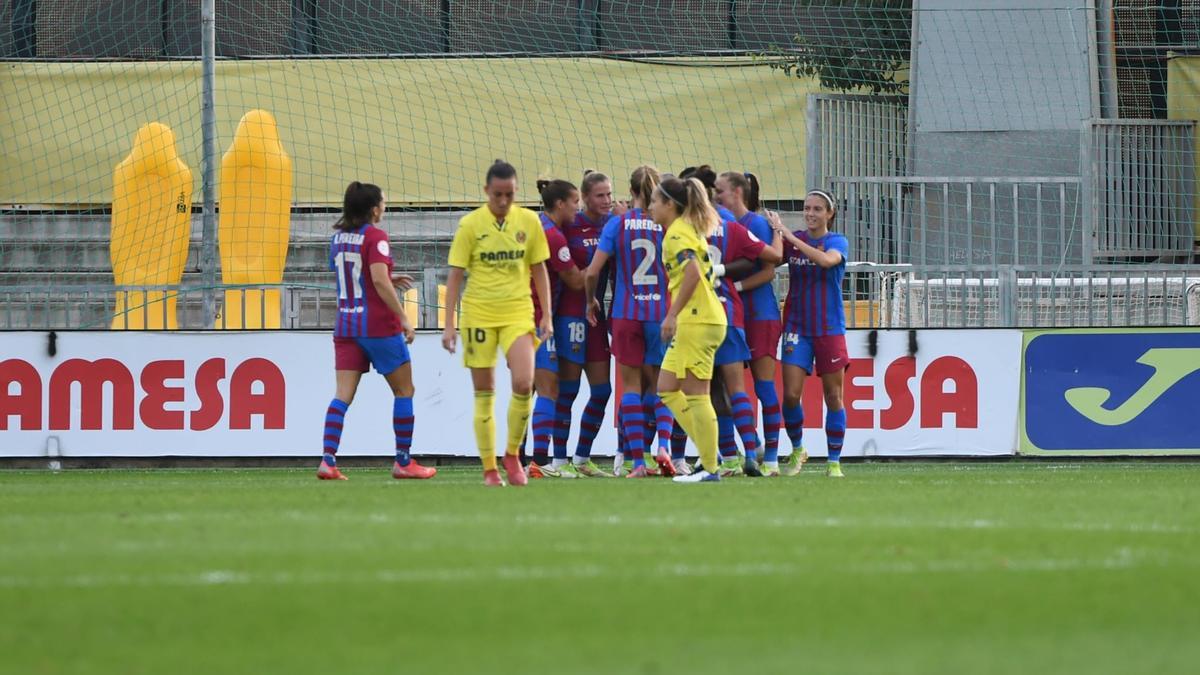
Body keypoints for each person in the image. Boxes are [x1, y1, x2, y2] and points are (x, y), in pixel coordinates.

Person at [442, 160, 554, 487]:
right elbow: (455, 275)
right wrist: (449, 325)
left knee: (523, 382)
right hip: (478, 314)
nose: (504, 202)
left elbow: (539, 269)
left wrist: (546, 313)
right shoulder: (470, 225)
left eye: (509, 195)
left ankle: (512, 455)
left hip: (518, 313)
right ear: (486, 192)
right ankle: (490, 468)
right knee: (485, 391)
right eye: (498, 195)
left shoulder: (529, 221)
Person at [318, 181, 436, 481]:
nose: (385, 206)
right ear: (374, 208)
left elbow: (358, 275)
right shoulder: (376, 236)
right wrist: (404, 319)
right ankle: (404, 461)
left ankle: (328, 461)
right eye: (383, 201)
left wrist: (386, 276)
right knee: (404, 390)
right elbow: (379, 282)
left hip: (346, 325)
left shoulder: (338, 238)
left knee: (342, 395)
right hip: (377, 326)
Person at [584, 165, 677, 478]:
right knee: (662, 385)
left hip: (626, 314)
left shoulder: (617, 224)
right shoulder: (667, 224)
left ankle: (637, 462)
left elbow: (593, 271)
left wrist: (590, 299)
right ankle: (664, 445)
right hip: (660, 314)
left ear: (631, 191)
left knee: (632, 388)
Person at [650, 176, 728, 483]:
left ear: (670, 204)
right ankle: (711, 452)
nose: (651, 207)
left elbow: (693, 273)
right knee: (667, 388)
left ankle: (710, 468)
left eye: (656, 201)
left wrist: (671, 314)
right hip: (700, 319)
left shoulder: (677, 234)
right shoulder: (684, 229)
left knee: (697, 395)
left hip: (697, 319)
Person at [767, 190, 850, 478]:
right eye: (807, 208)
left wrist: (790, 237)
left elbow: (827, 261)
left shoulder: (836, 241)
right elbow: (771, 258)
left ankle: (834, 461)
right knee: (790, 395)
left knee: (833, 396)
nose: (811, 213)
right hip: (796, 327)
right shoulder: (793, 240)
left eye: (817, 209)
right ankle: (799, 448)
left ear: (830, 213)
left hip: (829, 328)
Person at [715, 171, 785, 476]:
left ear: (737, 193)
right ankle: (734, 453)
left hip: (760, 314)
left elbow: (769, 271)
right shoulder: (722, 224)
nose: (716, 196)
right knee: (726, 387)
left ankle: (769, 458)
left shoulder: (755, 223)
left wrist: (736, 289)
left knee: (763, 386)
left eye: (721, 191)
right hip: (733, 315)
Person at [554, 170, 617, 477]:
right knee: (567, 390)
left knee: (602, 390)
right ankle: (558, 460)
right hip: (569, 314)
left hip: (597, 317)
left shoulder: (613, 225)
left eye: (609, 194)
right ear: (586, 198)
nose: (606, 200)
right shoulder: (570, 225)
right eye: (599, 195)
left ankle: (582, 457)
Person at [527, 179, 586, 479]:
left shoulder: (537, 225)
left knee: (532, 389)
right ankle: (539, 461)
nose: (578, 207)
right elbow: (576, 280)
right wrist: (603, 259)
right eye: (575, 201)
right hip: (536, 320)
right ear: (560, 203)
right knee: (549, 388)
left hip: (522, 317)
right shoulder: (553, 236)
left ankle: (526, 458)